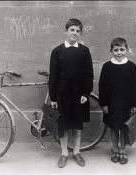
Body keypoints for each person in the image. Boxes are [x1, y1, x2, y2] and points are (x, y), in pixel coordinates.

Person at [48, 18, 93, 168]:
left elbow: (89, 74)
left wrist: (86, 93)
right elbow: (53, 75)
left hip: (79, 96)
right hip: (63, 96)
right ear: (66, 31)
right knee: (64, 126)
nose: (75, 33)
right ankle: (64, 153)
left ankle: (77, 152)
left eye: (78, 31)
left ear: (80, 34)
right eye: (72, 30)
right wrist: (53, 97)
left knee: (77, 125)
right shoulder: (57, 51)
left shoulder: (84, 51)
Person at [99, 37, 136, 164]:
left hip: (126, 104)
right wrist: (104, 104)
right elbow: (101, 86)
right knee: (113, 128)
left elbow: (135, 86)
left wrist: (135, 104)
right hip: (111, 104)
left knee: (123, 128)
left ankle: (123, 150)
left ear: (127, 50)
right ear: (111, 51)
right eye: (116, 50)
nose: (119, 53)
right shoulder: (107, 66)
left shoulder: (131, 66)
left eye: (122, 49)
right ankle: (115, 149)